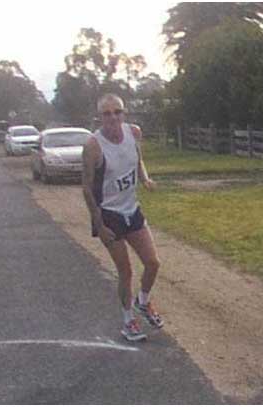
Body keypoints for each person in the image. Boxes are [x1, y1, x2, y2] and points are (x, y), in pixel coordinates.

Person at [82, 94, 164, 341]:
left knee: (153, 263)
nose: (113, 118)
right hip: (109, 215)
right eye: (107, 114)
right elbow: (86, 187)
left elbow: (137, 160)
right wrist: (99, 223)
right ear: (100, 117)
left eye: (117, 112)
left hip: (132, 210)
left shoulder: (133, 133)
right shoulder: (93, 146)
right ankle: (128, 320)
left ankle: (143, 301)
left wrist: (145, 178)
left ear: (124, 113)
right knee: (125, 271)